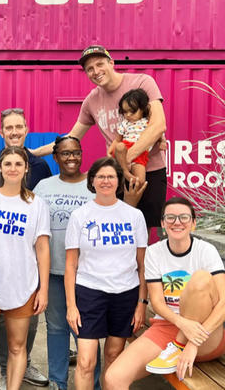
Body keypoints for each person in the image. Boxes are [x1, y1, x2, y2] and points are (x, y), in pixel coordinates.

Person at [33, 45, 167, 236]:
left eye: (99, 64)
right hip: (117, 175)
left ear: (111, 63)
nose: (96, 71)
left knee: (152, 230)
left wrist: (127, 157)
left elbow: (158, 125)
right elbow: (71, 137)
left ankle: (149, 266)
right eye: (89, 69)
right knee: (120, 229)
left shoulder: (142, 82)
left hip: (150, 169)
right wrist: (34, 153)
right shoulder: (91, 101)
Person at [105, 197, 225, 389]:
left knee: (200, 279)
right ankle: (177, 346)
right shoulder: (154, 252)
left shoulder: (206, 250)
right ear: (163, 224)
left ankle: (180, 345)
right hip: (168, 327)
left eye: (184, 217)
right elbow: (157, 302)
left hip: (206, 333)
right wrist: (182, 324)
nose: (177, 222)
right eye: (171, 217)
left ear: (193, 223)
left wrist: (192, 343)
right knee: (113, 378)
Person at [0, 107, 51, 389]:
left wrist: (42, 288)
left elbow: (42, 246)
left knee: (20, 345)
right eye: (7, 165)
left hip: (23, 285)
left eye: (18, 164)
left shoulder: (37, 200)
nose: (13, 168)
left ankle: (14, 381)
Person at [64, 157, 148, 390]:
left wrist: (142, 302)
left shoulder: (133, 216)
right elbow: (71, 265)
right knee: (85, 361)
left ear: (119, 181)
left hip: (125, 294)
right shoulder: (80, 216)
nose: (106, 181)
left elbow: (142, 265)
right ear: (92, 180)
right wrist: (72, 305)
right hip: (90, 293)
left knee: (113, 355)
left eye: (111, 176)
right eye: (100, 176)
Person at [33, 136, 101, 390]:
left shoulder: (93, 185)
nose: (71, 158)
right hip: (53, 271)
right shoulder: (43, 187)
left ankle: (94, 384)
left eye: (75, 153)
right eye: (65, 153)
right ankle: (57, 382)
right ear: (55, 157)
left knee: (87, 332)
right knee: (56, 328)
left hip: (87, 274)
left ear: (82, 154)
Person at [109, 89, 167, 185]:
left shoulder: (149, 123)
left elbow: (159, 133)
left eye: (132, 112)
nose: (128, 115)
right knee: (119, 147)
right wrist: (109, 153)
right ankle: (125, 171)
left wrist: (162, 142)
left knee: (140, 181)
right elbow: (117, 140)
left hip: (141, 154)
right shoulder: (124, 123)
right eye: (125, 112)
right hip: (125, 149)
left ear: (143, 108)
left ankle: (130, 184)